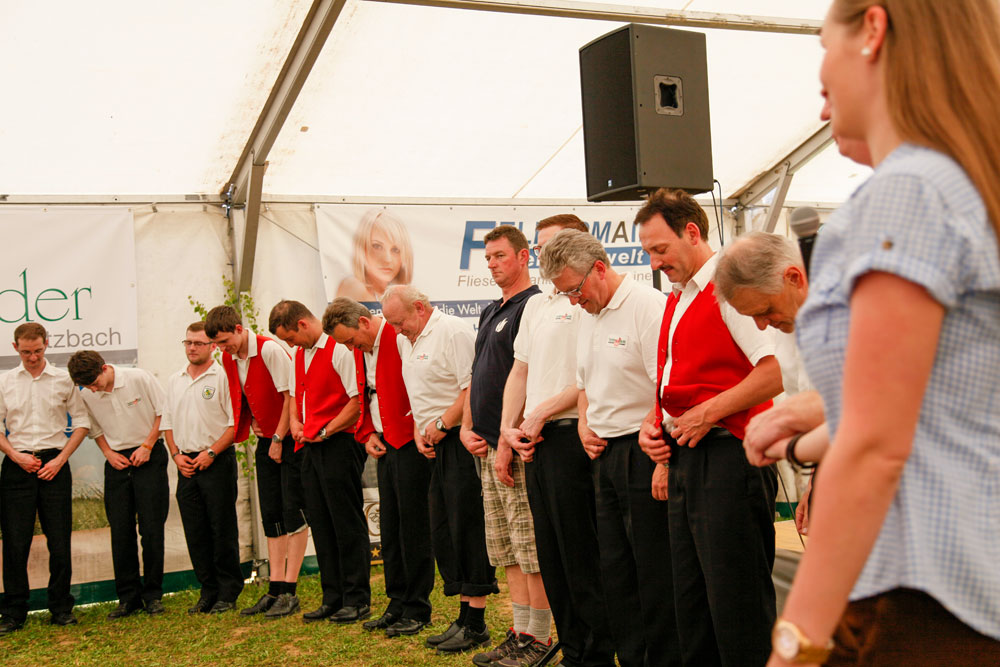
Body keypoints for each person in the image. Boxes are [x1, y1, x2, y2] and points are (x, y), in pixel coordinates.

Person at [769, 1, 1000, 664]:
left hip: (923, 591)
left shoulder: (911, 193)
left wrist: (795, 644)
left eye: (822, 44)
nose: (821, 83)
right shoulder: (962, 185)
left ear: (872, 28)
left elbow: (875, 448)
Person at [634, 188, 782, 667]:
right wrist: (651, 426)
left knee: (736, 603)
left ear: (692, 232)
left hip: (731, 457)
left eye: (661, 249)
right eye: (649, 253)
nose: (656, 263)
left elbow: (775, 370)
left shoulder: (728, 285)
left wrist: (710, 411)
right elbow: (675, 380)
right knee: (692, 602)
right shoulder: (678, 298)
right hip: (689, 460)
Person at [539, 229, 681, 667]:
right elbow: (584, 385)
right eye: (564, 294)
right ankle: (633, 657)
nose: (573, 302)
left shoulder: (647, 307)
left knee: (653, 570)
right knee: (615, 569)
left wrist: (660, 457)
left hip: (643, 450)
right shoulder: (588, 313)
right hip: (601, 457)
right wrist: (584, 422)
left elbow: (667, 389)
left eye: (575, 290)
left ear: (600, 268)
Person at [501, 214, 616, 667]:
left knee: (582, 554)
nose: (547, 258)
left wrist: (543, 411)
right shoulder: (537, 305)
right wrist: (508, 430)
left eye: (556, 247)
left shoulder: (585, 300)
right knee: (551, 554)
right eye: (542, 248)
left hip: (572, 434)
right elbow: (520, 370)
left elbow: (586, 376)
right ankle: (572, 648)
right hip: (535, 441)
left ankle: (596, 653)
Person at [381, 284, 499, 654]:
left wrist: (444, 424)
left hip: (461, 439)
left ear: (419, 308)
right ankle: (463, 615)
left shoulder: (453, 331)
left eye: (400, 322)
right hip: (434, 442)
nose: (397, 331)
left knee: (467, 526)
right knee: (444, 528)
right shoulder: (406, 339)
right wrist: (420, 430)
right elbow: (419, 393)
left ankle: (477, 622)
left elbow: (471, 390)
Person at [460, 225, 557, 665]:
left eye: (500, 256)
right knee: (505, 550)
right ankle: (519, 632)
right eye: (488, 258)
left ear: (523, 257)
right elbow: (478, 376)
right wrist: (466, 426)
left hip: (514, 449)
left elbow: (528, 377)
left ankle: (538, 639)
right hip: (484, 446)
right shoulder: (488, 311)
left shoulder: (532, 305)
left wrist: (506, 438)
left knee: (529, 547)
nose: (493, 264)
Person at [323, 297, 434, 638]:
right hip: (384, 442)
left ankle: (417, 606)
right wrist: (368, 431)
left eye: (350, 339)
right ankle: (396, 601)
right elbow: (365, 392)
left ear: (364, 323)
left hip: (409, 441)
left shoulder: (398, 338)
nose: (348, 346)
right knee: (390, 528)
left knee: (412, 529)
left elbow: (419, 388)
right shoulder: (360, 348)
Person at [268, 299, 370, 624]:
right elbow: (298, 396)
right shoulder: (300, 353)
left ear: (302, 324)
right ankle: (333, 596)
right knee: (321, 521)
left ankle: (357, 598)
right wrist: (296, 423)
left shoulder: (339, 348)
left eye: (289, 338)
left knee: (345, 521)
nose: (290, 345)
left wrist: (326, 430)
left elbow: (357, 402)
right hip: (310, 446)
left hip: (339, 443)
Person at [205, 305, 308, 618]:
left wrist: (278, 437)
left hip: (288, 438)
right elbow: (244, 396)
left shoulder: (269, 350)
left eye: (226, 341)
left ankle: (290, 590)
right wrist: (253, 427)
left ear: (238, 328)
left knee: (293, 512)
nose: (223, 349)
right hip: (266, 440)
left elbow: (292, 394)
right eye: (219, 345)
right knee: (272, 514)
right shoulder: (227, 357)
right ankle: (275, 587)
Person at [0, 323, 90, 633]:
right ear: (16, 349)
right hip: (17, 463)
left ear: (46, 345)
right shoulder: (5, 381)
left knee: (60, 539)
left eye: (38, 351)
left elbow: (81, 423)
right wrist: (15, 455)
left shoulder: (64, 380)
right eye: (26, 352)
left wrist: (61, 459)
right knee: (15, 542)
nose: (33, 357)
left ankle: (61, 608)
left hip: (55, 462)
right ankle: (13, 612)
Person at [67, 350, 169, 619]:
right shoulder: (86, 391)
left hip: (149, 453)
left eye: (94, 382)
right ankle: (128, 598)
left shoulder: (138, 378)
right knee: (120, 531)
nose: (91, 389)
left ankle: (153, 596)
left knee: (151, 529)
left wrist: (147, 446)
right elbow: (94, 428)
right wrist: (108, 453)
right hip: (116, 460)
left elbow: (163, 413)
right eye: (86, 386)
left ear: (104, 368)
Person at [162, 321, 242, 614]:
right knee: (195, 531)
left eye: (198, 343)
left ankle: (228, 592)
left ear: (212, 346)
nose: (192, 348)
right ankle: (207, 590)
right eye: (188, 343)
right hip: (186, 463)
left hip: (216, 459)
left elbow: (235, 424)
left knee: (221, 529)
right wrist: (175, 455)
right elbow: (167, 422)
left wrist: (211, 452)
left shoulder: (222, 376)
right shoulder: (175, 379)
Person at [336, 208, 414, 303]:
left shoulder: (394, 294)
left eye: (395, 250)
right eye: (377, 246)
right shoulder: (353, 286)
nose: (387, 259)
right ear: (362, 249)